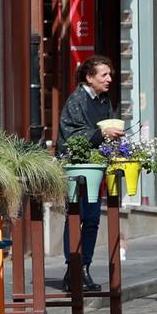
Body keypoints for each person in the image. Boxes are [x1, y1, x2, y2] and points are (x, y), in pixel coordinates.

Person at [58, 54, 115, 293]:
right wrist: (100, 135)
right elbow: (70, 135)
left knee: (92, 219)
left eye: (110, 74)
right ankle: (74, 267)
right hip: (78, 169)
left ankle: (85, 267)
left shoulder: (103, 100)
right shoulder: (77, 100)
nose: (109, 79)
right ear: (90, 78)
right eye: (104, 75)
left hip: (96, 168)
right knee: (76, 216)